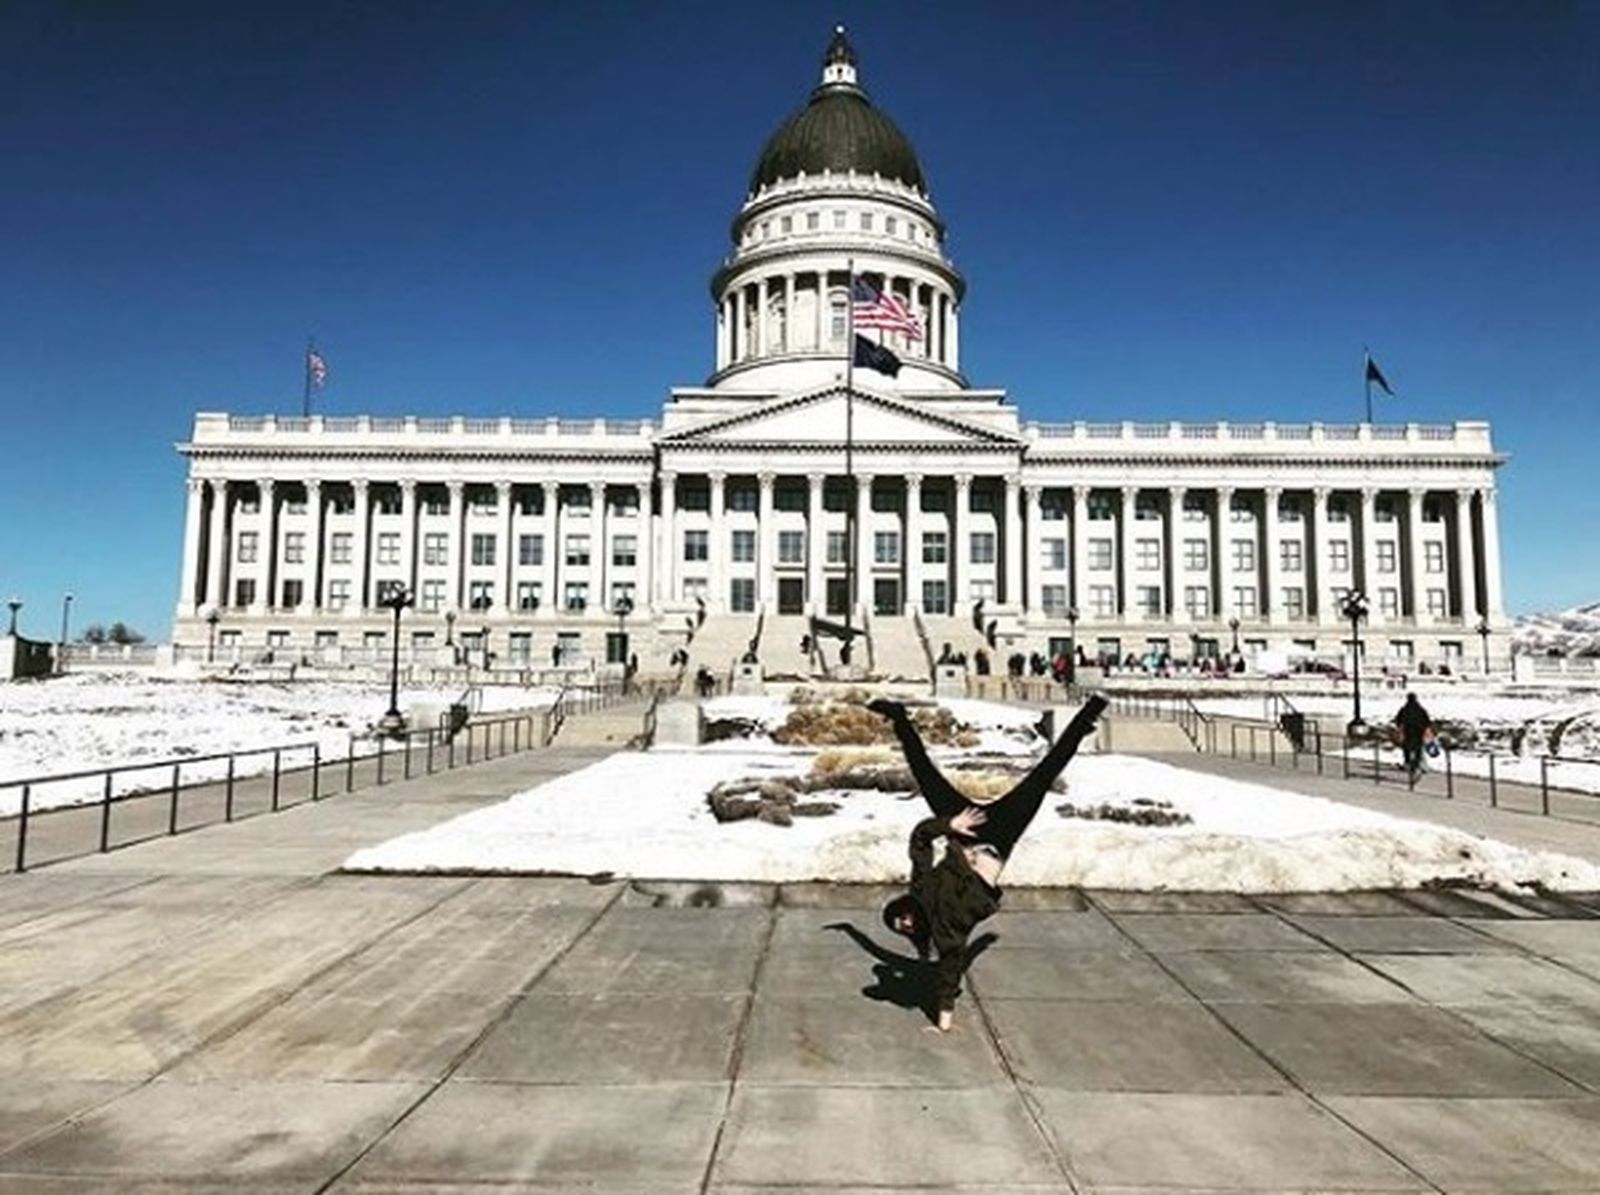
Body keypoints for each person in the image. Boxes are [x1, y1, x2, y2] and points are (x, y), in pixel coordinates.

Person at [868, 695, 1108, 1032]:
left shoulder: (919, 888)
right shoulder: (946, 935)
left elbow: (919, 841)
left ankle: (898, 717)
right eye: (902, 928)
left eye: (899, 917)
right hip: (1000, 837)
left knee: (923, 771)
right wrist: (944, 1024)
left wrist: (949, 826)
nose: (905, 922)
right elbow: (951, 971)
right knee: (1043, 777)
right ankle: (1087, 718)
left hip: (965, 826)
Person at [1393, 693, 1434, 777]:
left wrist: (1399, 729)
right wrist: (1427, 731)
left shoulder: (1404, 709)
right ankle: (1417, 764)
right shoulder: (1420, 709)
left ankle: (1408, 763)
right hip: (1419, 732)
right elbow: (1427, 721)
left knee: (1406, 748)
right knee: (1418, 748)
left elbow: (1398, 721)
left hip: (1408, 732)